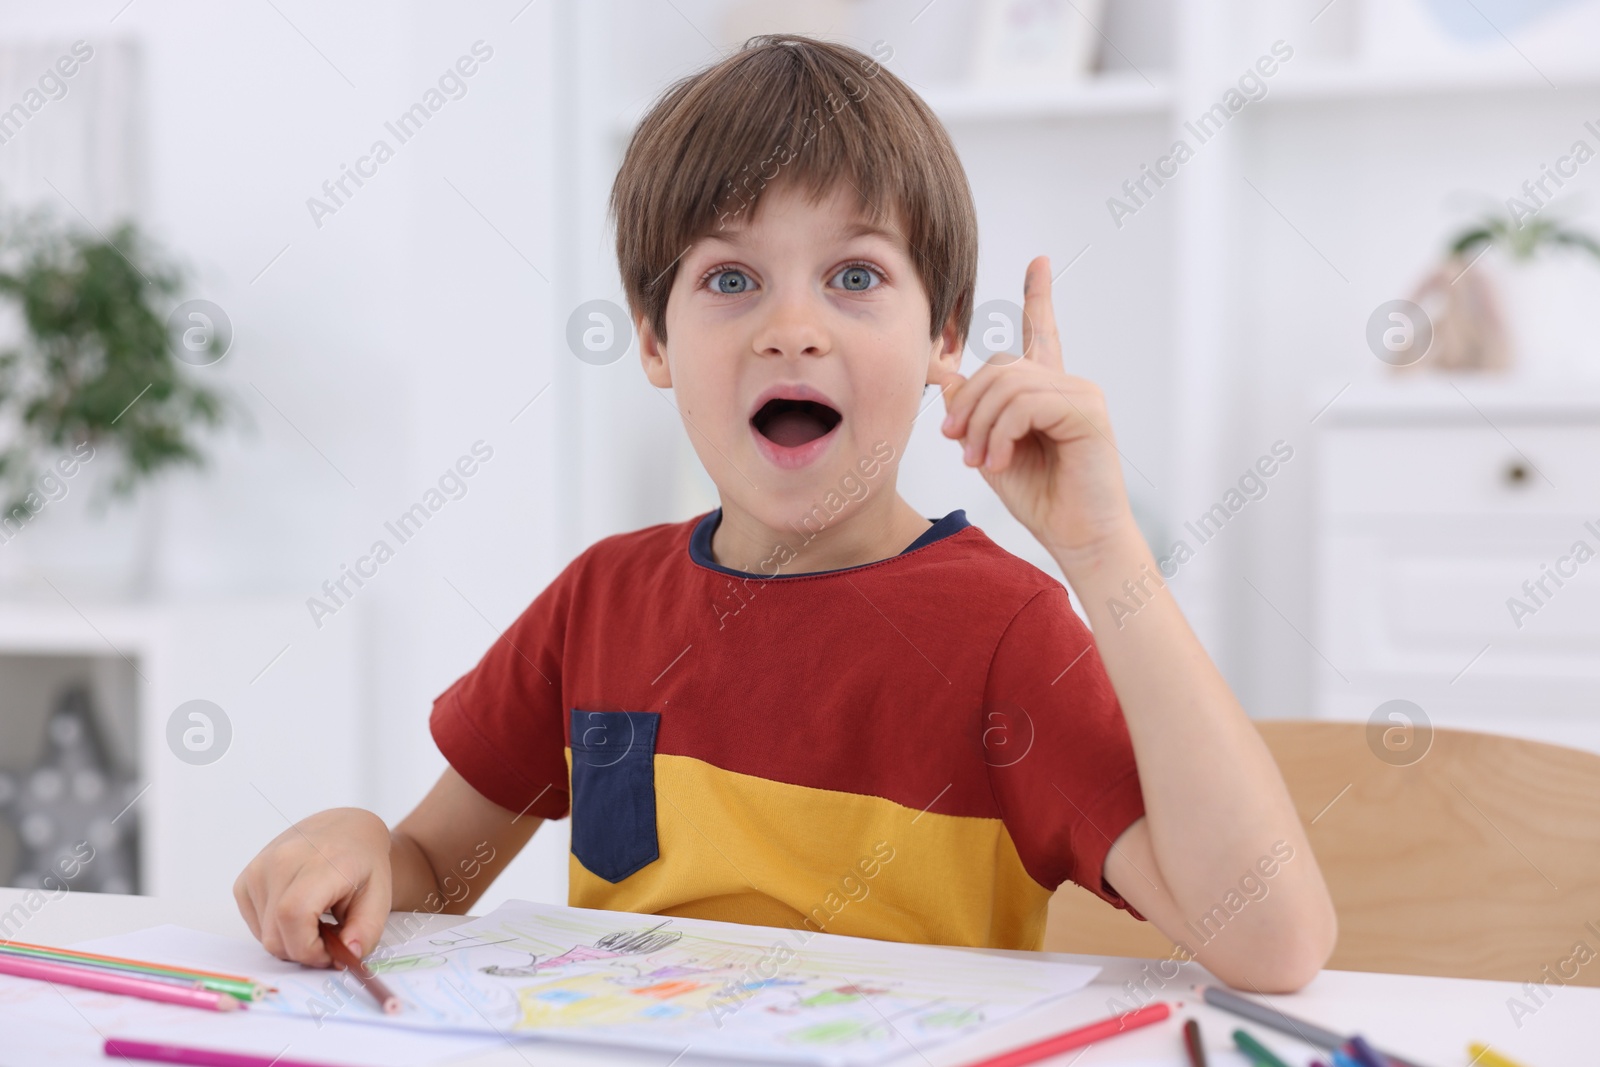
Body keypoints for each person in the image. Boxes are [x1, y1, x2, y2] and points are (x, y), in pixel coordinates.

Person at [235, 34, 1336, 992]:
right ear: (655, 340)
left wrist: (1104, 552)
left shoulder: (1007, 636)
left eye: (855, 276)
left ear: (943, 337)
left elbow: (1272, 938)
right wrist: (362, 843)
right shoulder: (598, 603)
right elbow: (434, 874)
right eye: (730, 279)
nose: (792, 327)